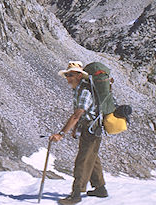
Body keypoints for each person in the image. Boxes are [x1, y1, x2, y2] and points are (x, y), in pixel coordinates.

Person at [50, 61, 108, 205]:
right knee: (91, 157)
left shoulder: (84, 91)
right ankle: (100, 188)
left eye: (70, 74)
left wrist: (61, 134)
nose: (67, 78)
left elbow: (77, 115)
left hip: (91, 130)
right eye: (67, 75)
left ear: (78, 75)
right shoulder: (78, 89)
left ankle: (76, 194)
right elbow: (81, 114)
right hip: (90, 128)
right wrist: (76, 128)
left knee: (82, 160)